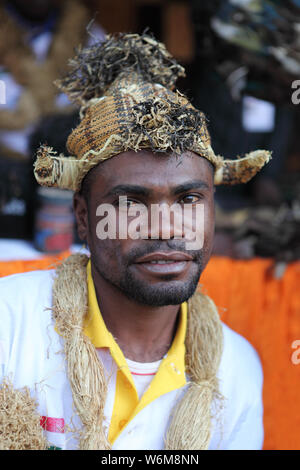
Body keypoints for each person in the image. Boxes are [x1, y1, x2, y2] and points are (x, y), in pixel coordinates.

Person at [0, 33, 271, 450]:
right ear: (83, 218)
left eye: (189, 198)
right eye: (130, 202)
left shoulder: (236, 369)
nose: (165, 227)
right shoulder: (9, 325)